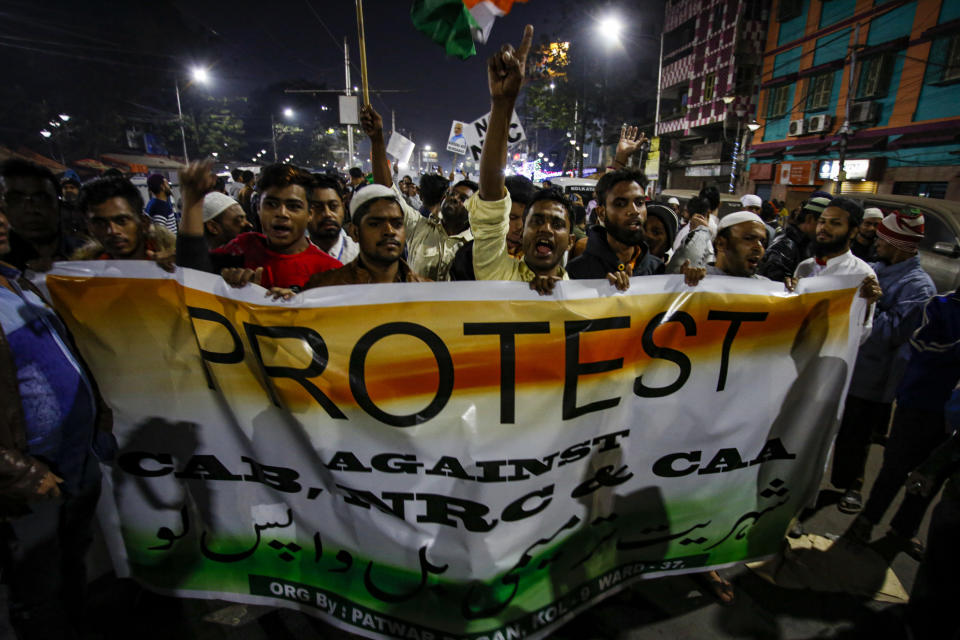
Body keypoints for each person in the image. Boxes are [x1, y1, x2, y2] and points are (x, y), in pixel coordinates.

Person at [0, 206, 115, 640]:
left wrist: (97, 425)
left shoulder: (20, 283)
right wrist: (22, 475)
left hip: (72, 460)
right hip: (30, 478)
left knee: (72, 566)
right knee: (36, 586)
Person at [829, 209, 936, 515]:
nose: (877, 244)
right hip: (848, 366)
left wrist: (869, 306)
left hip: (874, 376)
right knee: (837, 428)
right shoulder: (872, 269)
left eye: (883, 240)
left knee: (859, 434)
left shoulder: (919, 288)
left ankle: (855, 486)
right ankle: (838, 479)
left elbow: (891, 333)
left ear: (900, 246)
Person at [176, 162, 341, 291]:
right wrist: (191, 203)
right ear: (258, 209)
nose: (282, 213)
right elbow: (191, 272)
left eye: (293, 206)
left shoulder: (331, 272)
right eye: (271, 204)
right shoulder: (242, 249)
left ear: (309, 214)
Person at [363, 105, 475, 281]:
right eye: (452, 194)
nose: (454, 199)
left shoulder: (478, 245)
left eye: (463, 198)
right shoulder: (419, 226)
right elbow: (387, 192)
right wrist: (377, 140)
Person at [294, 185, 428, 290]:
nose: (389, 231)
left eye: (397, 224)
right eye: (375, 224)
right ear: (355, 232)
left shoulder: (427, 291)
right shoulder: (325, 288)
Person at [567, 166, 664, 285]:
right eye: (620, 204)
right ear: (601, 213)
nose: (634, 211)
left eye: (639, 203)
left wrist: (689, 284)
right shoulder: (576, 272)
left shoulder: (658, 270)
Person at [1, 159, 86, 273]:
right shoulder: (3, 262)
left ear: (58, 202)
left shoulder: (89, 255)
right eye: (16, 200)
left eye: (41, 198)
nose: (31, 209)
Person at [70, 176, 176, 267]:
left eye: (121, 221)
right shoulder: (85, 277)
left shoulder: (178, 263)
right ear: (89, 228)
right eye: (100, 223)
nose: (112, 231)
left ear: (144, 223)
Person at [449, 175, 537, 281]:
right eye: (512, 218)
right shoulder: (467, 259)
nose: (520, 227)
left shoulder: (541, 258)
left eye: (526, 219)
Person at [756, 193, 829, 282]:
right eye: (823, 222)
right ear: (810, 219)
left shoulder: (809, 244)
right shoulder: (784, 248)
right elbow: (774, 286)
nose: (827, 229)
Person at [307, 174, 358, 264]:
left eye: (333, 206)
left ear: (343, 207)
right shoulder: (293, 257)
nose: (327, 214)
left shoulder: (360, 256)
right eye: (318, 207)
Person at [58, 171, 86, 239]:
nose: (68, 190)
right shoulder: (56, 208)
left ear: (79, 190)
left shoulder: (86, 207)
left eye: (72, 187)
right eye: (65, 187)